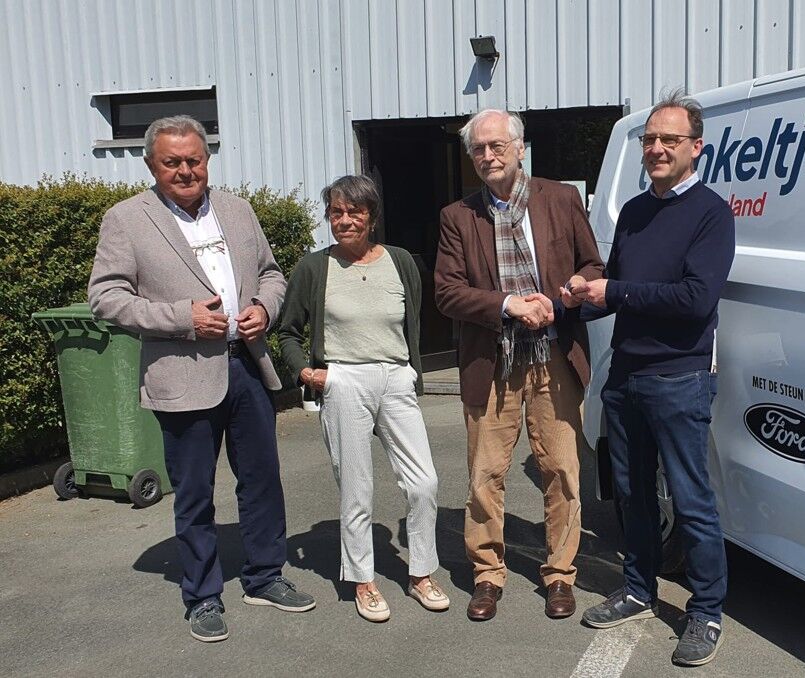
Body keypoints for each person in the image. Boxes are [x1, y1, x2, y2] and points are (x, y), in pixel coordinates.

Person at [88, 115, 314, 643]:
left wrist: (264, 307)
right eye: (173, 162)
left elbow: (272, 273)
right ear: (151, 164)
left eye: (194, 160)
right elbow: (106, 297)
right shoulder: (127, 219)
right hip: (182, 374)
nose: (186, 170)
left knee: (262, 481)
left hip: (247, 365)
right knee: (194, 492)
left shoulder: (237, 210)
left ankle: (265, 577)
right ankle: (203, 595)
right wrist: (181, 318)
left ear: (207, 160)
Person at [568, 90, 735, 666]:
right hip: (626, 373)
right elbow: (615, 290)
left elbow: (695, 299)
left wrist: (613, 291)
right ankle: (639, 589)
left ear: (696, 147)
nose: (657, 148)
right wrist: (569, 301)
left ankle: (706, 612)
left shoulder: (711, 214)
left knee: (690, 499)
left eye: (670, 139)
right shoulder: (636, 212)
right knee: (633, 493)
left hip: (678, 377)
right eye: (650, 139)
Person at [434, 109, 603, 621]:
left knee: (562, 471)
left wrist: (571, 291)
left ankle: (560, 574)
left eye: (497, 146)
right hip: (493, 361)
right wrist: (509, 305)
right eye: (478, 149)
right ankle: (487, 573)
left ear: (520, 148)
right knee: (485, 474)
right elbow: (447, 292)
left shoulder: (561, 199)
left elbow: (592, 265)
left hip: (555, 355)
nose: (488, 156)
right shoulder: (458, 216)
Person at [277, 175, 446, 622]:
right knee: (356, 489)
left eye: (355, 211)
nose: (345, 220)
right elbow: (288, 331)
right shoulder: (314, 268)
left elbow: (412, 321)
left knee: (424, 483)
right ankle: (363, 581)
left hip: (395, 378)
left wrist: (410, 372)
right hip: (344, 381)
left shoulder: (401, 261)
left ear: (372, 216)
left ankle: (421, 573)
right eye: (336, 212)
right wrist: (307, 373)